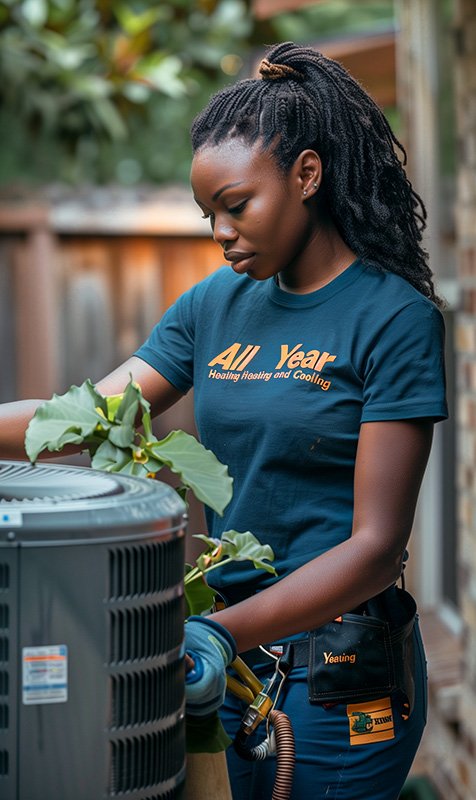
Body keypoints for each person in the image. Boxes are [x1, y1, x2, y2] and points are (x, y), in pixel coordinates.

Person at [0, 42, 447, 800]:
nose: (220, 231)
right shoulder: (214, 307)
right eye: (208, 213)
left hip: (338, 678)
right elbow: (89, 418)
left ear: (307, 175)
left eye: (237, 205)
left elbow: (375, 549)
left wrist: (222, 631)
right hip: (226, 672)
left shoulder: (393, 319)